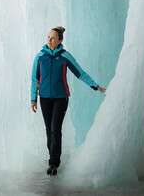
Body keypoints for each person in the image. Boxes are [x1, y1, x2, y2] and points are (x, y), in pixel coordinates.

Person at [30, 26, 106, 176]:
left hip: (61, 98)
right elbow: (34, 79)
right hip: (44, 98)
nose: (50, 40)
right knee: (48, 130)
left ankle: (53, 163)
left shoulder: (65, 56)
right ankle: (52, 156)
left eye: (53, 38)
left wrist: (95, 86)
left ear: (60, 40)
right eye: (48, 37)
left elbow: (80, 73)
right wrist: (33, 99)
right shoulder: (40, 56)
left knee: (55, 129)